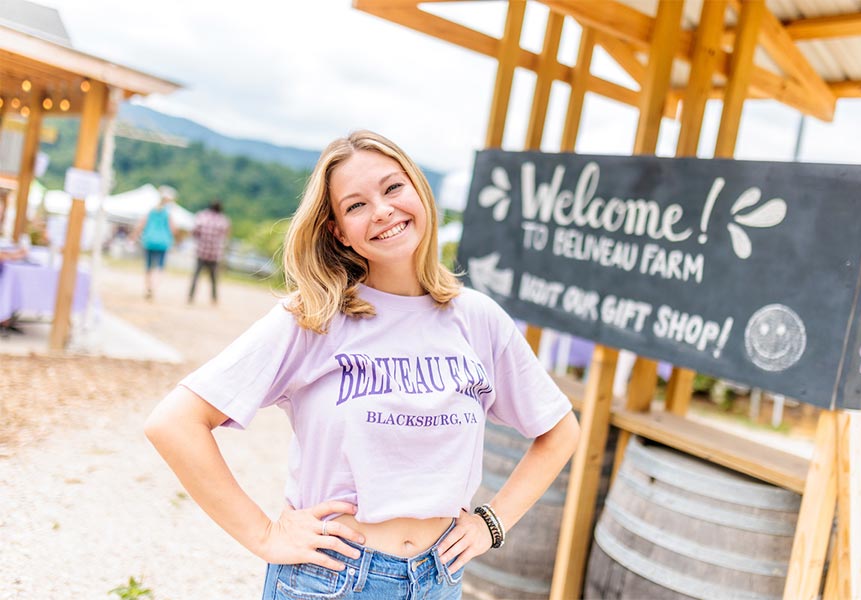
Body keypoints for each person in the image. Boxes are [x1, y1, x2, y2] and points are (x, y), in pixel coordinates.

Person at [144, 130, 579, 599]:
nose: (383, 211)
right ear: (338, 231)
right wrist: (264, 535)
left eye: (393, 188)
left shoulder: (477, 318)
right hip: (333, 580)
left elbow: (560, 430)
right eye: (356, 206)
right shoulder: (312, 318)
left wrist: (493, 523)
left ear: (418, 190)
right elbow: (175, 422)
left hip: (438, 581)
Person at [133, 186, 177, 300]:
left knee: (148, 266)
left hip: (149, 240)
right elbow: (173, 229)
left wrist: (133, 236)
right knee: (159, 267)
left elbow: (141, 224)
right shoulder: (168, 213)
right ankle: (153, 287)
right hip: (163, 243)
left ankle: (148, 286)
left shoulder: (151, 210)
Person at [188, 199, 230, 304]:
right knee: (213, 278)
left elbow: (194, 232)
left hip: (201, 251)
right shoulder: (223, 220)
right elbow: (225, 236)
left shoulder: (202, 216)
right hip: (214, 253)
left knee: (196, 276)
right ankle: (214, 299)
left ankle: (190, 297)